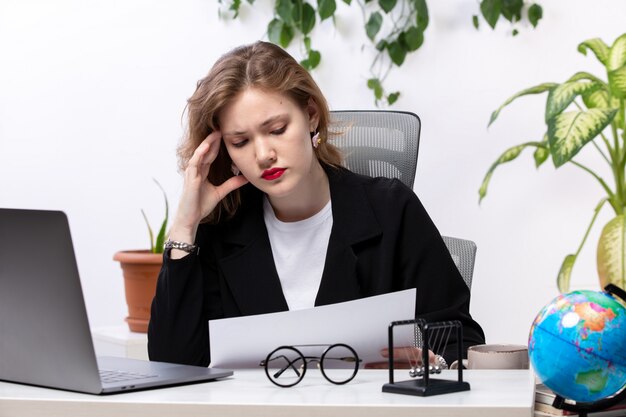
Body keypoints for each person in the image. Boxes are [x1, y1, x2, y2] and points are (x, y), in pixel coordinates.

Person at [147, 41, 485, 368]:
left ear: (310, 116)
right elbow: (173, 364)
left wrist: (433, 362)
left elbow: (460, 342)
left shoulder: (391, 208)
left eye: (277, 129)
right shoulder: (221, 228)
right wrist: (185, 226)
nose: (263, 154)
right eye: (241, 141)